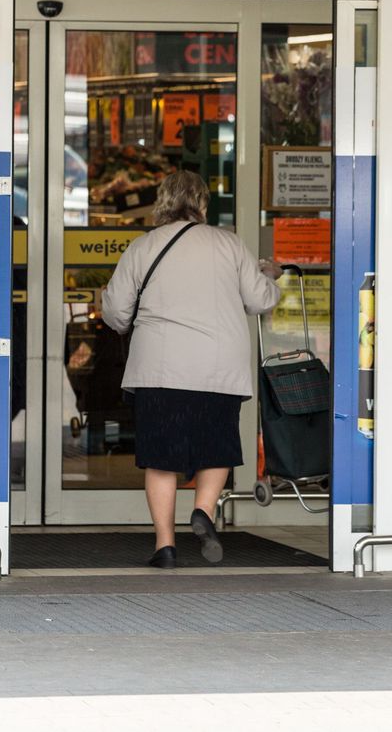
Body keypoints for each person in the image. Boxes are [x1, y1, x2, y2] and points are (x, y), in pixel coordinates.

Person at [102, 170, 282, 568]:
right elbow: (259, 300)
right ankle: (204, 509)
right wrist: (270, 276)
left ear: (162, 202)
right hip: (218, 368)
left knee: (161, 458)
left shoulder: (143, 247)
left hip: (159, 369)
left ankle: (165, 546)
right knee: (216, 447)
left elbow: (115, 312)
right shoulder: (228, 244)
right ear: (202, 204)